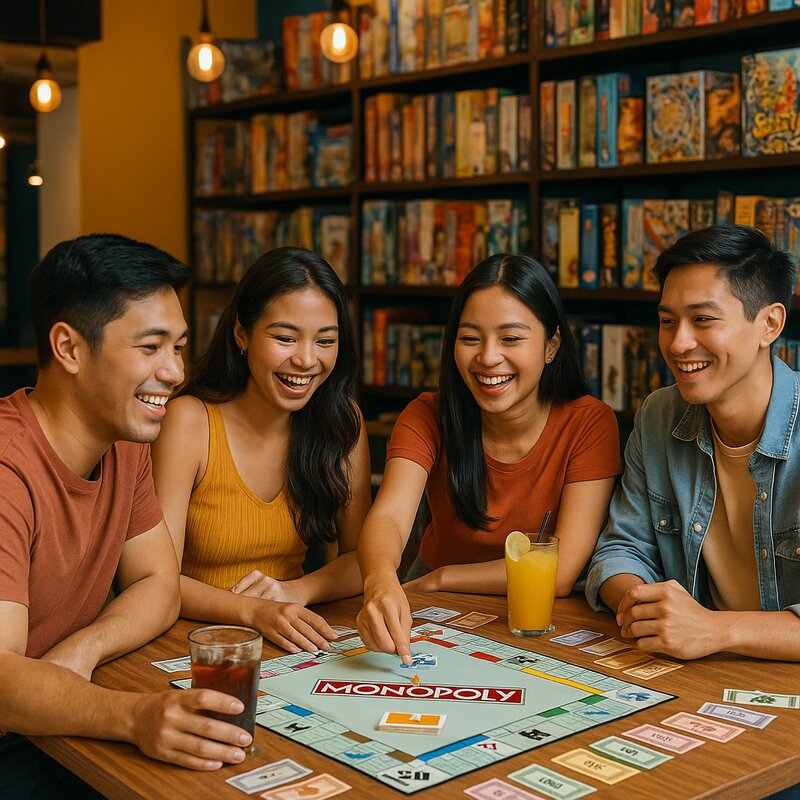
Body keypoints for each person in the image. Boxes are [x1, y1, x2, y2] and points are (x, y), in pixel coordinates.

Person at [0, 235, 257, 799]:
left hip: (64, 720)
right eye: (151, 347)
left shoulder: (124, 442)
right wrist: (136, 718)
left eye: (179, 347)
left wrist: (84, 649)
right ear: (68, 348)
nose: (174, 372)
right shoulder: (5, 466)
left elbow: (159, 584)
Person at [357, 253, 621, 662]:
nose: (488, 357)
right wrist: (379, 579)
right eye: (470, 338)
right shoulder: (427, 414)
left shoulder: (590, 422)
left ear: (551, 345)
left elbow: (561, 570)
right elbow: (390, 516)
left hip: (529, 609)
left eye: (511, 339)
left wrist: (443, 576)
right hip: (427, 602)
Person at [586, 224, 800, 662]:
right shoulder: (659, 416)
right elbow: (621, 547)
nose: (679, 343)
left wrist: (712, 629)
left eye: (703, 319)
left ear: (770, 324)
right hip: (689, 673)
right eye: (667, 321)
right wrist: (643, 604)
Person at [152, 247, 370, 656]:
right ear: (242, 334)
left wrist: (295, 591)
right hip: (186, 642)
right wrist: (253, 611)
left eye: (325, 340)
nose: (306, 360)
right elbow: (154, 580)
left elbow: (363, 559)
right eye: (285, 338)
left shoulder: (342, 423)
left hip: (287, 635)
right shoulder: (188, 422)